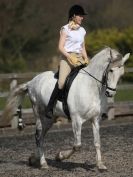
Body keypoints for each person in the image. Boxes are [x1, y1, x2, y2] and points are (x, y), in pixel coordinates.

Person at [45, 4, 90, 119]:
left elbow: (82, 47)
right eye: (80, 16)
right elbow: (60, 47)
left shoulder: (82, 30)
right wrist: (69, 57)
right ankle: (50, 107)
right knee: (61, 82)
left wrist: (86, 59)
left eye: (82, 16)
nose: (82, 18)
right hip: (67, 58)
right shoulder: (65, 29)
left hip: (80, 58)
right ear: (74, 16)